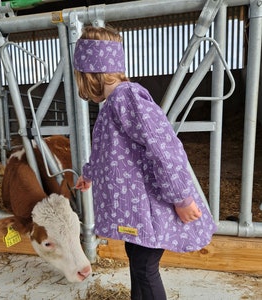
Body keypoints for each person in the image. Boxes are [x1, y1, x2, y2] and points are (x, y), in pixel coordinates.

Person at [73, 25, 217, 300]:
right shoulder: (114, 103)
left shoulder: (127, 99)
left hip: (151, 206)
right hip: (136, 210)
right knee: (138, 261)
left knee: (145, 267)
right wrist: (89, 174)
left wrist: (182, 198)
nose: (81, 85)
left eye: (80, 77)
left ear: (90, 74)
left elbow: (165, 149)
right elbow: (105, 151)